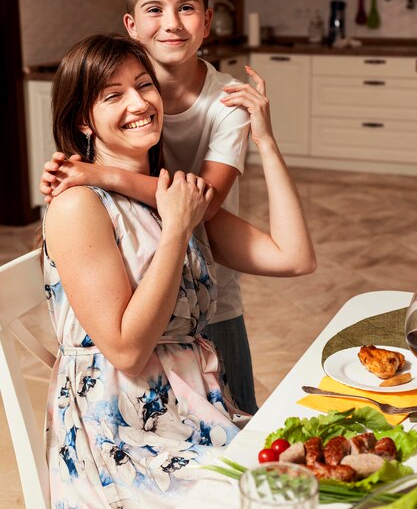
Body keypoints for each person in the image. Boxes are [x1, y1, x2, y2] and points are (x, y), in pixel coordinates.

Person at [43, 33, 315, 507]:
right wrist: (176, 231)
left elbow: (294, 257)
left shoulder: (172, 196)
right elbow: (126, 350)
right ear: (83, 120)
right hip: (122, 441)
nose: (139, 102)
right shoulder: (78, 207)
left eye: (144, 85)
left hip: (194, 414)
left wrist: (265, 140)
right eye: (113, 95)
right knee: (282, 497)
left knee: (323, 472)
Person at [42, 0, 268, 414]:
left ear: (207, 20)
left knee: (239, 413)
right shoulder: (127, 99)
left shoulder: (223, 103)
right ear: (132, 24)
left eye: (186, 8)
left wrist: (96, 172)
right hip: (139, 297)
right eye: (154, 10)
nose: (171, 23)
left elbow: (199, 206)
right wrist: (74, 176)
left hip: (208, 291)